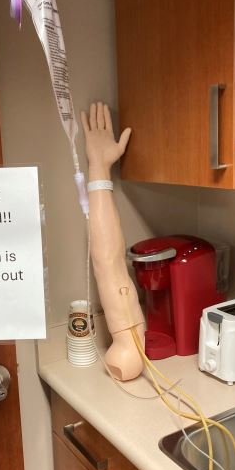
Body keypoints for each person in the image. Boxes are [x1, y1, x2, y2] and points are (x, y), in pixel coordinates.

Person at [81, 102, 145, 381]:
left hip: (128, 344)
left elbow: (108, 262)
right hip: (128, 345)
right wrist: (98, 168)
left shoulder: (128, 352)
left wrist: (99, 168)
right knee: (109, 266)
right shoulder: (128, 352)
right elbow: (107, 262)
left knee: (109, 266)